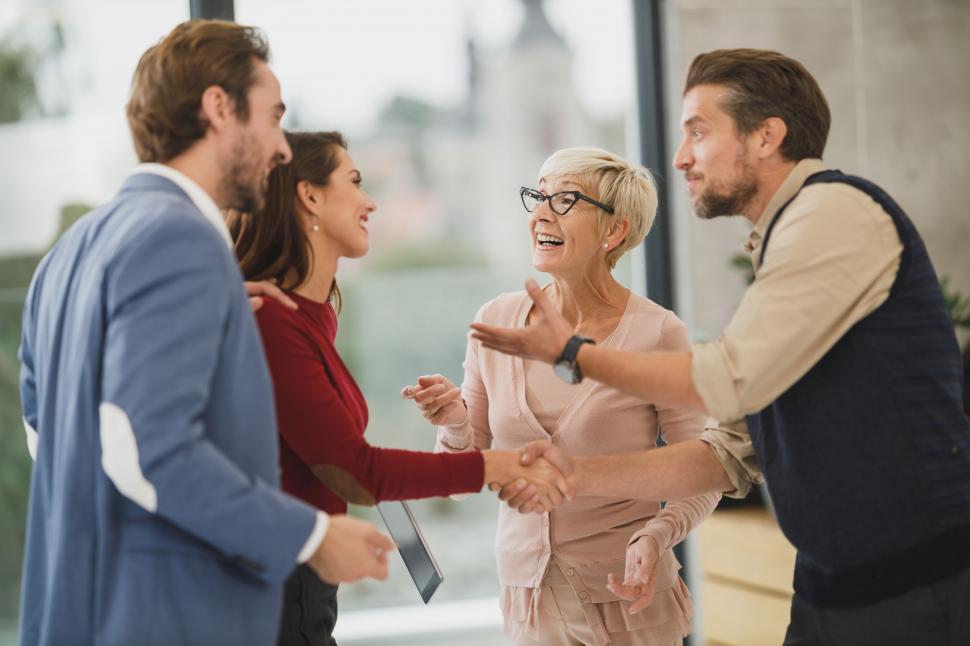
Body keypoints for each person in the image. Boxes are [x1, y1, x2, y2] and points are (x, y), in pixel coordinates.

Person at [472, 49, 970, 646]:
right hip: (833, 583)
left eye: (699, 133)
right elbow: (729, 450)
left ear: (767, 136)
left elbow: (730, 377)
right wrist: (573, 476)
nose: (681, 158)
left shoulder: (835, 212)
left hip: (913, 585)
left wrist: (575, 353)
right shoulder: (783, 246)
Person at [17, 21, 396, 646]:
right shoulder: (180, 240)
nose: (280, 148)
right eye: (273, 117)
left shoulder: (74, 247)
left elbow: (51, 437)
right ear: (219, 108)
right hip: (171, 617)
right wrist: (311, 536)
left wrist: (206, 310)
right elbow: (146, 448)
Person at [226, 130, 572, 646]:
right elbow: (355, 472)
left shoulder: (309, 318)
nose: (370, 201)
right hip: (275, 592)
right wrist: (497, 465)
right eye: (355, 182)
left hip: (299, 587)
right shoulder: (272, 323)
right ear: (310, 195)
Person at [403, 147, 720, 646]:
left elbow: (706, 471)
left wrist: (656, 535)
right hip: (529, 597)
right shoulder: (497, 320)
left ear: (614, 231)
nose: (541, 214)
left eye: (566, 200)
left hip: (629, 597)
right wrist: (454, 419)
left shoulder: (658, 333)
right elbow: (460, 479)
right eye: (539, 197)